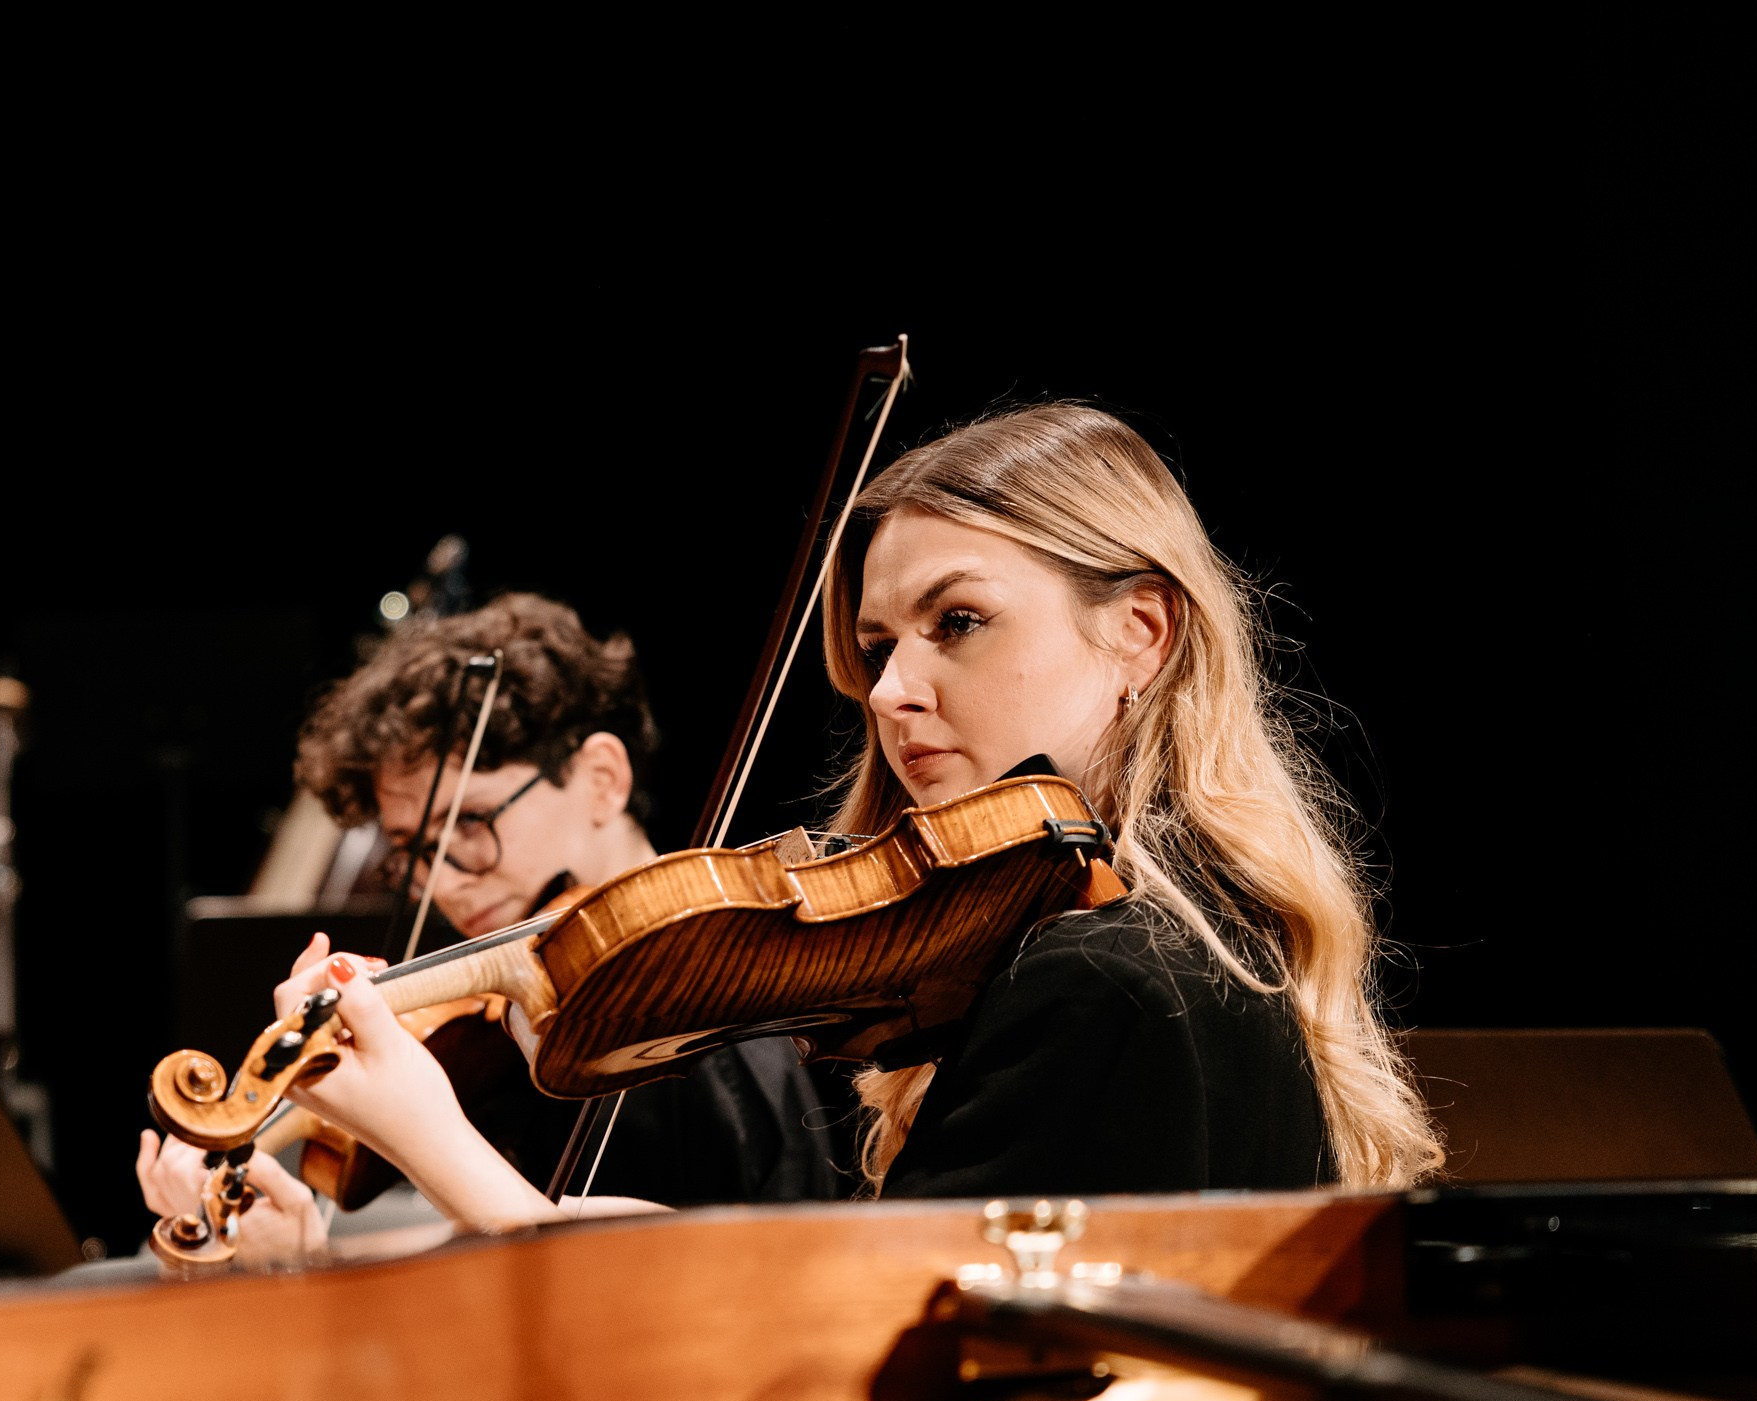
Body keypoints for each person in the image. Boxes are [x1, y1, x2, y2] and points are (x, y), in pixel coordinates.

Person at [234, 403, 1441, 1231]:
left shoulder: (1110, 981)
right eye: (877, 645)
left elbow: (845, 1355)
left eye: (957, 623)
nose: (892, 689)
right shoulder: (1173, 945)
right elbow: (797, 1269)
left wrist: (436, 1145)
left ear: (1139, 632)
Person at [135, 593, 842, 1251]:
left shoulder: (690, 1026)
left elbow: (647, 1307)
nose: (442, 883)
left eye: (471, 822)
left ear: (602, 778)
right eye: (413, 851)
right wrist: (298, 1254)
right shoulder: (517, 1029)